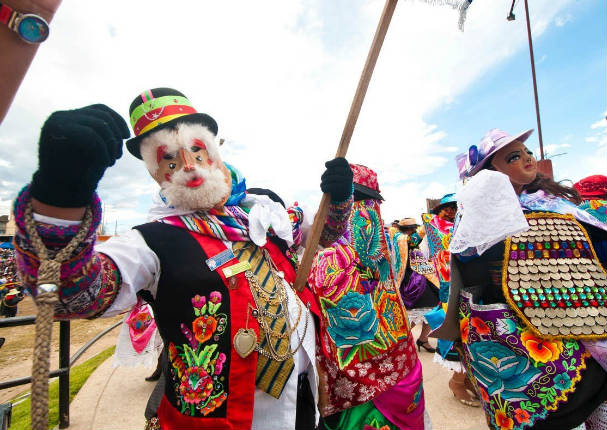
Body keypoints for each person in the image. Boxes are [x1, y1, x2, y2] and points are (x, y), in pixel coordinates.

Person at [12, 88, 355, 430]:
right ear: (157, 173)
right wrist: (59, 199)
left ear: (215, 151)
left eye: (196, 151)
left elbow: (321, 236)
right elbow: (70, 295)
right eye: (170, 160)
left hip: (303, 396)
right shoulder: (151, 241)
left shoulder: (263, 210)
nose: (189, 167)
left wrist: (338, 199)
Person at [434, 128, 607, 430]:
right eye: (514, 156)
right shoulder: (477, 213)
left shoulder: (553, 203)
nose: (527, 158)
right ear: (492, 171)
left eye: (526, 152)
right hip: (519, 330)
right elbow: (469, 266)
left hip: (581, 318)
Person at [308, 164, 428, 430]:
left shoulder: (380, 241)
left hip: (381, 363)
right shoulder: (329, 245)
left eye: (368, 202)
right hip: (382, 365)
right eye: (360, 201)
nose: (365, 209)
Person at [421, 194, 479, 407]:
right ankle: (457, 382)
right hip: (449, 290)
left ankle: (468, 381)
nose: (451, 211)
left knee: (472, 338)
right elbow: (423, 257)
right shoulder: (432, 231)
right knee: (458, 339)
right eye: (447, 208)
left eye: (455, 207)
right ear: (439, 210)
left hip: (469, 287)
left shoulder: (464, 227)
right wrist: (435, 278)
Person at [388, 218, 439, 353]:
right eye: (411, 229)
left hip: (422, 276)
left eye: (414, 228)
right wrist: (428, 222)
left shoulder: (407, 238)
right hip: (410, 280)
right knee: (411, 313)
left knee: (431, 310)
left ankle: (423, 339)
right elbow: (413, 240)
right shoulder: (399, 237)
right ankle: (400, 342)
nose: (413, 231)